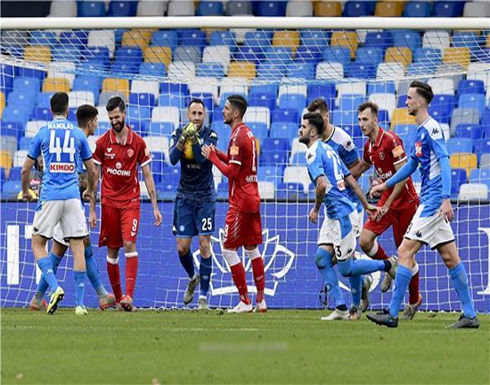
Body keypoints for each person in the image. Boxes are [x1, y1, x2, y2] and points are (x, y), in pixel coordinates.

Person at [368, 81, 479, 329]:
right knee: (451, 257)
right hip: (431, 200)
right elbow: (410, 167)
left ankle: (393, 313)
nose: (405, 102)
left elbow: (445, 161)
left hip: (432, 201)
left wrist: (446, 197)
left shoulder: (433, 129)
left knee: (405, 252)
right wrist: (385, 186)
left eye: (409, 98)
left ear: (420, 102)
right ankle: (470, 314)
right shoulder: (419, 131)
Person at [299, 112, 397, 321]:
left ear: (313, 132)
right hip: (336, 213)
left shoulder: (313, 153)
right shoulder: (328, 150)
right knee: (322, 258)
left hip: (342, 213)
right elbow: (351, 180)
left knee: (347, 268)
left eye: (304, 127)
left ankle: (387, 265)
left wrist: (316, 208)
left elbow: (322, 184)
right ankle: (341, 307)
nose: (301, 130)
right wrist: (366, 204)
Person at [29, 104, 115, 313]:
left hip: (67, 200)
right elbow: (81, 176)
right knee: (79, 247)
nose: (97, 124)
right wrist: (89, 187)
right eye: (96, 120)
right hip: (68, 201)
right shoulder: (77, 142)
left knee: (62, 249)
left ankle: (38, 297)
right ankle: (99, 295)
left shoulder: (73, 140)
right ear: (90, 122)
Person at [21, 92, 97, 315]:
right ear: (67, 111)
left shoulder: (43, 132)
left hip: (50, 195)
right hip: (73, 196)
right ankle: (80, 305)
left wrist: (26, 191)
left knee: (37, 244)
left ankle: (54, 288)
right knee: (78, 248)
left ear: (51, 110)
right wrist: (91, 190)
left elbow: (26, 168)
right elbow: (91, 169)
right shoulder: (77, 133)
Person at [90, 96, 162, 311]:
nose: (114, 121)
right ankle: (120, 300)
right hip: (109, 203)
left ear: (125, 113)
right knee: (112, 252)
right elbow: (94, 177)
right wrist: (93, 209)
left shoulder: (138, 142)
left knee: (130, 244)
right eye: (110, 118)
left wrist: (155, 207)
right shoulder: (102, 143)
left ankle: (129, 296)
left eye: (117, 116)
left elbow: (148, 175)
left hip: (130, 202)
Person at [353, 101, 422, 319]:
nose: (361, 124)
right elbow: (363, 165)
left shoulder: (391, 140)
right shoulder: (368, 146)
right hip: (386, 200)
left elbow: (403, 177)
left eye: (365, 119)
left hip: (405, 202)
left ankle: (413, 301)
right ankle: (388, 266)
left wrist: (388, 203)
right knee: (364, 240)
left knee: (407, 254)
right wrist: (344, 178)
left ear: (375, 119)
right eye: (359, 120)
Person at [306, 98, 372, 318]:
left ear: (326, 117)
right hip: (331, 207)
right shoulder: (316, 146)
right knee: (324, 258)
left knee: (346, 260)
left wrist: (342, 185)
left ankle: (353, 305)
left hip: (349, 204)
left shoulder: (342, 140)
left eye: (315, 118)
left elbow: (359, 166)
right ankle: (349, 296)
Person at [201, 95, 266, 314]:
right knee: (251, 248)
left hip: (240, 201)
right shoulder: (247, 133)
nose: (224, 111)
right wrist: (216, 153)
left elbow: (232, 172)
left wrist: (212, 159)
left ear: (236, 113)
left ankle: (245, 301)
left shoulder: (238, 136)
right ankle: (261, 300)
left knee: (228, 248)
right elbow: (234, 161)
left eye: (227, 108)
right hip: (253, 197)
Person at [169, 99, 218, 310]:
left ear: (204, 115)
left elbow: (200, 159)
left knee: (204, 244)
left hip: (205, 196)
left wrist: (194, 138)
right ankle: (192, 277)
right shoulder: (179, 132)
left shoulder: (211, 135)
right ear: (188, 115)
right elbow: (172, 159)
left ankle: (203, 298)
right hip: (185, 196)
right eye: (193, 113)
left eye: (200, 113)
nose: (197, 117)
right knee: (182, 247)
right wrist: (183, 139)